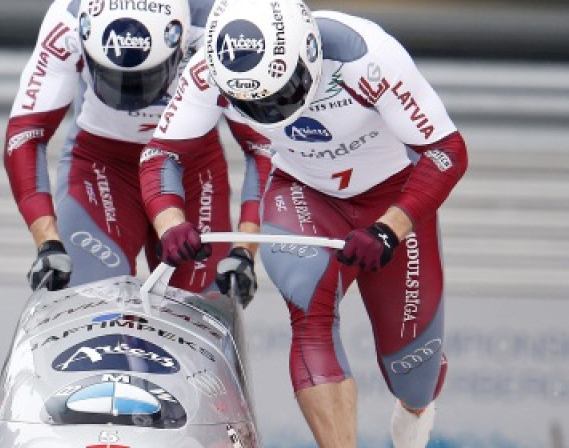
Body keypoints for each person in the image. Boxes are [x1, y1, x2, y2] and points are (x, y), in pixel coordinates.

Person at [138, 0, 468, 446]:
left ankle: (416, 412)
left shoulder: (368, 58)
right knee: (310, 317)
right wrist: (170, 221)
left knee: (413, 376)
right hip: (303, 191)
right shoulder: (207, 72)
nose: (272, 111)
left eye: (283, 92)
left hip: (393, 194)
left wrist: (391, 226)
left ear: (309, 51)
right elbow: (161, 153)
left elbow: (447, 152)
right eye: (253, 102)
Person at [4, 0, 272, 293]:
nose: (130, 92)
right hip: (102, 164)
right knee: (92, 301)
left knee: (197, 307)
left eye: (146, 77)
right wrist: (48, 243)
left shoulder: (220, 29)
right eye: (113, 78)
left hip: (189, 170)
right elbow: (24, 136)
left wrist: (245, 250)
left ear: (180, 42)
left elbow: (262, 146)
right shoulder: (67, 20)